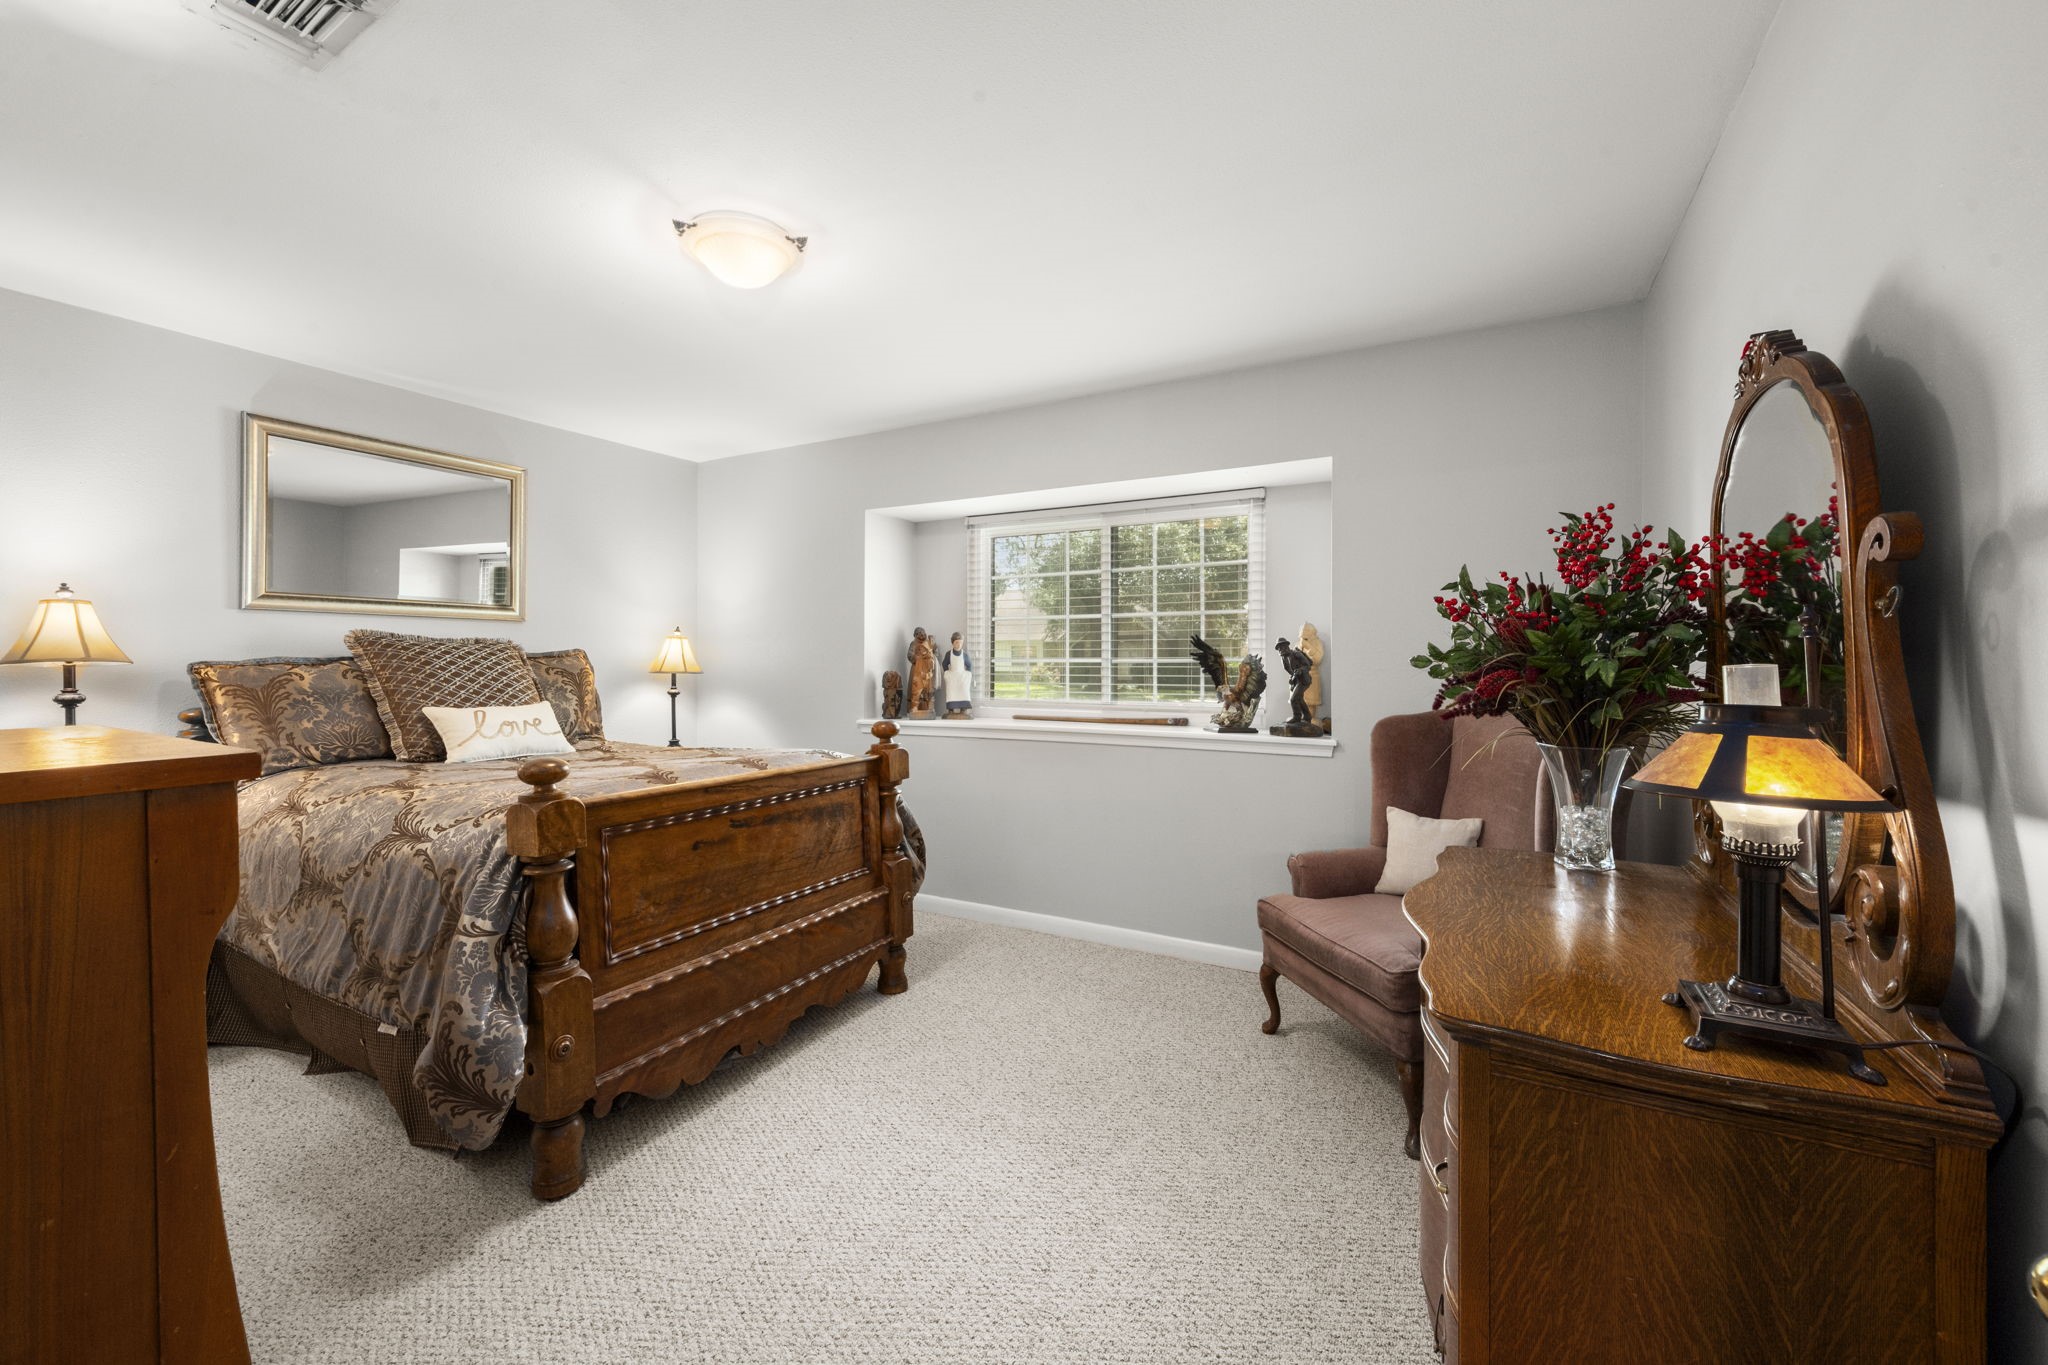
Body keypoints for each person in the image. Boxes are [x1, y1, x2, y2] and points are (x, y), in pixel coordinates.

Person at [941, 632, 973, 716]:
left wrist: (968, 675)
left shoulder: (964, 655)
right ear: (952, 643)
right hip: (952, 677)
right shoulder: (949, 654)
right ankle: (950, 709)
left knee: (964, 692)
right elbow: (944, 664)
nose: (958, 645)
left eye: (960, 642)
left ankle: (964, 709)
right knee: (951, 692)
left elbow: (969, 665)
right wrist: (947, 673)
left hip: (962, 677)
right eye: (956, 642)